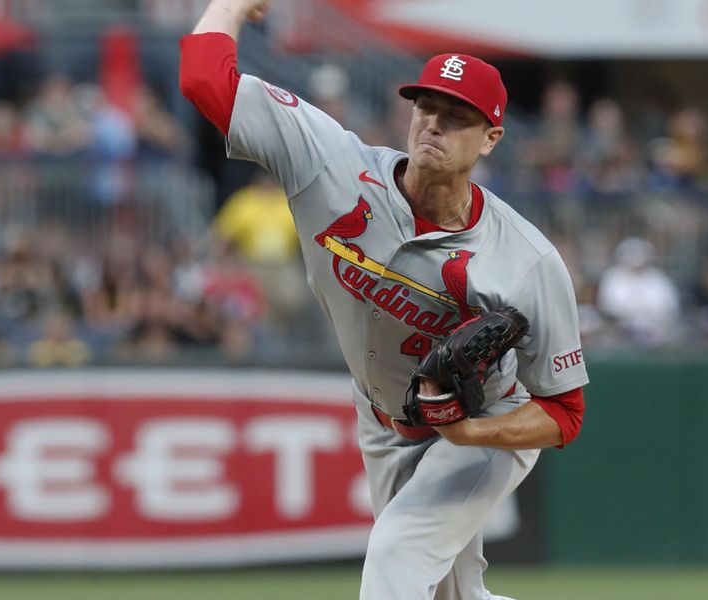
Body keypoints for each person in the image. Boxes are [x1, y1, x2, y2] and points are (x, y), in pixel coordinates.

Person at [180, 2, 589, 598]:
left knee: (396, 557)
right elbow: (202, 79)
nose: (434, 125)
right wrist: (233, 5)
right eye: (426, 107)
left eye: (457, 116)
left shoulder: (525, 261)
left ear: (491, 138)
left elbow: (566, 414)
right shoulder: (330, 165)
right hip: (381, 417)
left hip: (479, 421)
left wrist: (470, 435)